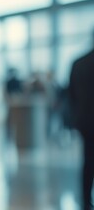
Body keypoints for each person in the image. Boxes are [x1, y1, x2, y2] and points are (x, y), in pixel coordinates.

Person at [69, 34, 94, 210]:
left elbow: (70, 96)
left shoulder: (78, 63)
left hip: (85, 121)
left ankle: (85, 201)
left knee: (88, 161)